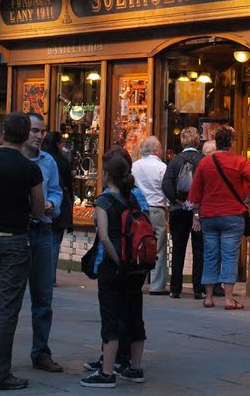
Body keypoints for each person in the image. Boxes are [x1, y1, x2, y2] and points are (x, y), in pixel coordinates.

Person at [0, 112, 44, 391]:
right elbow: (38, 209)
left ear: (3, 133)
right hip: (15, 241)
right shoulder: (29, 169)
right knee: (6, 309)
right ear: (26, 135)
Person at [81, 148, 150, 387]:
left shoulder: (104, 200)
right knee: (134, 316)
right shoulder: (136, 197)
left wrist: (116, 260)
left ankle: (107, 372)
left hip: (114, 267)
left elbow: (104, 237)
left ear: (107, 175)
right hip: (137, 267)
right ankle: (135, 368)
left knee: (111, 317)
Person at [188, 126, 250, 310]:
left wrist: (196, 214)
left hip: (209, 215)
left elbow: (195, 190)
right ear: (231, 142)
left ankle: (209, 297)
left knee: (210, 255)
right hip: (232, 215)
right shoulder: (239, 161)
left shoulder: (205, 163)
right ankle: (229, 299)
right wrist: (249, 198)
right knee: (229, 256)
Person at [23, 113, 64, 373]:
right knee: (11, 298)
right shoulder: (15, 158)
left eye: (42, 131)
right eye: (35, 131)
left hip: (44, 233)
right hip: (20, 233)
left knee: (43, 297)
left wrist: (52, 204)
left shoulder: (48, 161)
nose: (39, 136)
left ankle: (41, 351)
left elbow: (57, 192)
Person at [161, 127, 204, 299]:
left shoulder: (175, 161)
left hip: (178, 210)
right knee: (198, 249)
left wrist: (176, 201)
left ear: (183, 141)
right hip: (197, 212)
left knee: (178, 249)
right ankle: (198, 289)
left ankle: (176, 288)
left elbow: (166, 184)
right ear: (197, 141)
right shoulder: (203, 160)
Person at [131, 136, 169, 296]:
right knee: (158, 246)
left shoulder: (134, 166)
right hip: (156, 209)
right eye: (160, 148)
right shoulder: (161, 167)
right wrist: (168, 208)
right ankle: (157, 285)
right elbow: (165, 189)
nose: (162, 151)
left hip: (138, 210)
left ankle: (136, 281)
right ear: (155, 150)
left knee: (138, 244)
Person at [42, 131, 74, 286]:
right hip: (58, 206)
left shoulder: (42, 159)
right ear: (57, 144)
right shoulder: (61, 161)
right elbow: (69, 184)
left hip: (41, 205)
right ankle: (50, 277)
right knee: (54, 242)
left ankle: (40, 275)